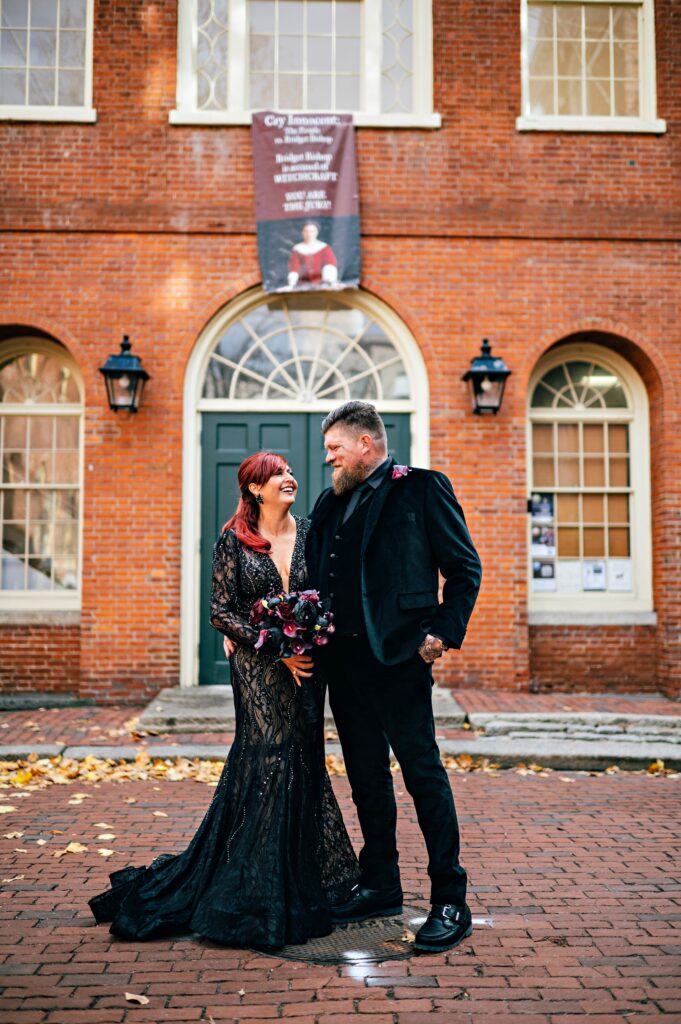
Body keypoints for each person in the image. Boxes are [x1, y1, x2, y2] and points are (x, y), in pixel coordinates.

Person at [88, 452, 358, 949]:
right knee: (267, 758)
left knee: (304, 759)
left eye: (289, 471)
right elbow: (220, 611)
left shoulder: (312, 531)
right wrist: (277, 649)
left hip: (307, 670)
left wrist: (310, 640)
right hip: (259, 667)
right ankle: (254, 889)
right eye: (277, 474)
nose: (288, 478)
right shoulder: (232, 540)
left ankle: (296, 879)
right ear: (255, 489)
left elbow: (324, 594)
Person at [306, 401, 482, 953]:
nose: (328, 458)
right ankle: (380, 882)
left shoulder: (423, 488)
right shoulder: (328, 502)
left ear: (366, 444)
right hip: (343, 665)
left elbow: (464, 569)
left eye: (335, 447)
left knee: (422, 774)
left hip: (401, 659)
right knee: (365, 778)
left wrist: (442, 634)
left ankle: (450, 898)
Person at [287, 222, 338, 288]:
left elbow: (330, 264)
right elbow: (294, 268)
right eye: (306, 231)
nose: (309, 234)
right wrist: (291, 284)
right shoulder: (297, 249)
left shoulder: (324, 247)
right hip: (302, 285)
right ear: (302, 233)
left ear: (316, 232)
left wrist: (329, 281)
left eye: (312, 231)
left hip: (322, 284)